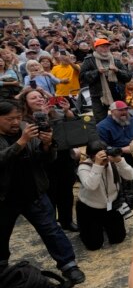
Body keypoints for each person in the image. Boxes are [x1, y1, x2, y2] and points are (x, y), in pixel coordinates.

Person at [0, 100, 85, 284]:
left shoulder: (26, 128)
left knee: (51, 231)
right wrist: (22, 142)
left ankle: (69, 265)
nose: (15, 122)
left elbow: (43, 160)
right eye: (9, 119)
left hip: (33, 193)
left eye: (18, 118)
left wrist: (47, 145)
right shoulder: (23, 134)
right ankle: (2, 270)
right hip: (4, 199)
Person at [19, 87, 79, 232]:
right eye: (33, 98)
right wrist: (42, 117)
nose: (39, 99)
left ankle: (67, 221)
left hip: (64, 158)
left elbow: (73, 127)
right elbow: (37, 138)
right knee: (50, 194)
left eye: (40, 97)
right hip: (44, 161)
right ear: (26, 103)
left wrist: (66, 111)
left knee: (66, 193)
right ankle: (52, 225)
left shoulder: (55, 112)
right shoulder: (23, 120)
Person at [75, 140, 133, 250]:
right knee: (94, 245)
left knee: (118, 239)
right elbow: (91, 186)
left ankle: (102, 228)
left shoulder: (112, 162)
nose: (103, 158)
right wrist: (97, 165)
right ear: (91, 156)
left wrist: (119, 161)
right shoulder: (84, 167)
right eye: (98, 156)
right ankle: (88, 230)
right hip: (90, 208)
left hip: (111, 205)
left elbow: (131, 176)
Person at [79, 38, 132, 122]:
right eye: (102, 47)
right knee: (100, 121)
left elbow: (128, 76)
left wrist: (117, 71)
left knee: (122, 119)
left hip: (117, 95)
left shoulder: (116, 60)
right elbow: (82, 78)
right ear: (96, 48)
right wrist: (97, 72)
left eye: (107, 47)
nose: (105, 49)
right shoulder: (89, 60)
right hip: (99, 97)